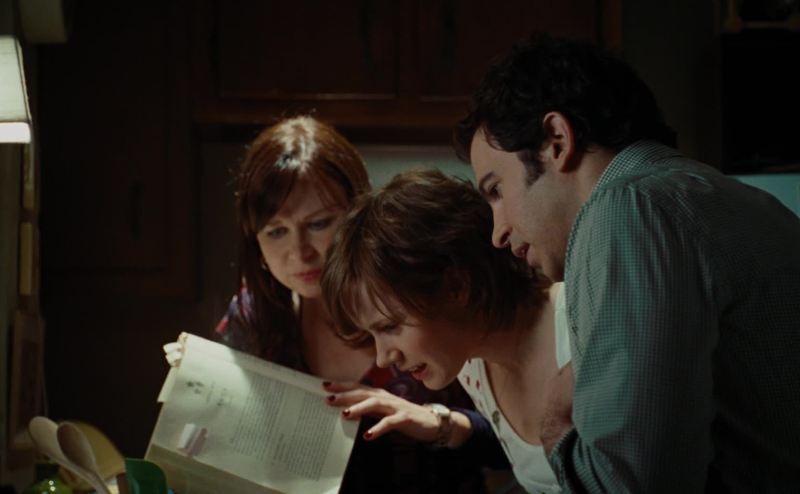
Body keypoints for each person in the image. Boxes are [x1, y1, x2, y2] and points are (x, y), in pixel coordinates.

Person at [453, 33, 800, 492]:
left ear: (557, 140)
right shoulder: (707, 193)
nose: (497, 232)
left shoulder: (627, 209)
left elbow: (631, 485)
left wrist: (555, 428)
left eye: (496, 190)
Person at [164, 116, 496, 493]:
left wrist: (436, 422)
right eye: (276, 231)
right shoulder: (253, 317)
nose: (300, 252)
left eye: (319, 223)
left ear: (357, 213)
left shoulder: (415, 292)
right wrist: (197, 391)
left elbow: (513, 446)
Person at [322, 168, 571, 493]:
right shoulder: (471, 366)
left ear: (456, 286)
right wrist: (441, 423)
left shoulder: (577, 324)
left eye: (390, 326)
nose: (383, 358)